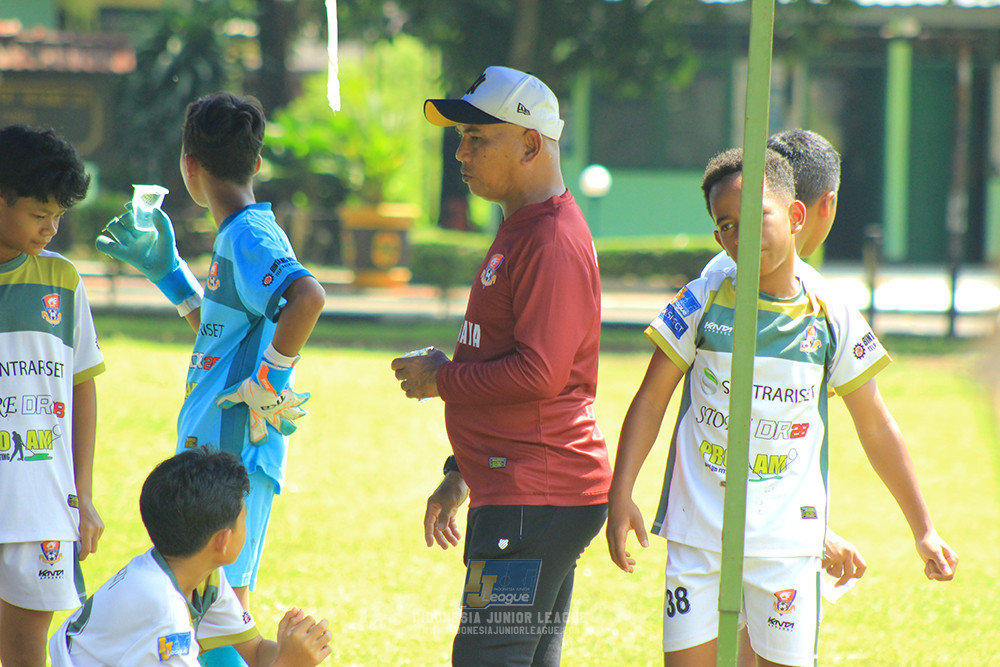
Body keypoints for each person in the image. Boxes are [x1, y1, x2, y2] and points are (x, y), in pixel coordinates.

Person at [606, 147, 958, 667]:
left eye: (755, 219)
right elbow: (651, 398)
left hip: (787, 549)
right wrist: (622, 492)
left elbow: (876, 424)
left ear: (795, 217)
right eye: (725, 225)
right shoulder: (703, 298)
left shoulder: (830, 314)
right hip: (699, 539)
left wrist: (923, 528)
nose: (739, 236)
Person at [95, 93, 326, 667]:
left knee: (223, 605)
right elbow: (226, 337)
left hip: (234, 450)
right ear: (255, 162)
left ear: (188, 163)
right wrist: (171, 275)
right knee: (204, 601)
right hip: (216, 445)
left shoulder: (250, 235)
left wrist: (270, 381)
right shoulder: (237, 235)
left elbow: (308, 296)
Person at [390, 66, 611, 666]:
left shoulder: (550, 237)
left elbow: (539, 374)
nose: (460, 153)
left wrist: (440, 380)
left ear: (530, 143)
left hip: (533, 500)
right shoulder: (526, 227)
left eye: (477, 139)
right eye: (460, 138)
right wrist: (461, 471)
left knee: (488, 660)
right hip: (526, 493)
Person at [700, 129, 862, 667]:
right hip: (749, 525)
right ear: (823, 206)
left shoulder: (724, 276)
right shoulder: (743, 283)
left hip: (763, 517)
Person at [49, 447, 331, 666]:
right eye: (244, 518)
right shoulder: (162, 609)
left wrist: (289, 647)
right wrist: (289, 663)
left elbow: (256, 653)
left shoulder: (202, 576)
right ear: (223, 540)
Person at [0, 124, 103, 667]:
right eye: (40, 214)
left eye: (59, 216)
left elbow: (82, 387)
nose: (51, 228)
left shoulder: (62, 280)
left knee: (25, 654)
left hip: (40, 506)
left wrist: (81, 496)